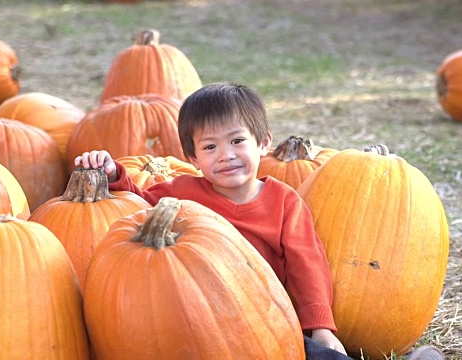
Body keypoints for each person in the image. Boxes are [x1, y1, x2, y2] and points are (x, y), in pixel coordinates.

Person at [75, 82, 349, 358]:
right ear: (192, 157)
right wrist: (113, 174)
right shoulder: (182, 193)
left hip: (264, 318)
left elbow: (307, 262)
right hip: (199, 318)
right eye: (209, 147)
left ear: (264, 142)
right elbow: (139, 203)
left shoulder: (284, 202)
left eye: (237, 141)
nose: (226, 155)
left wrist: (320, 326)